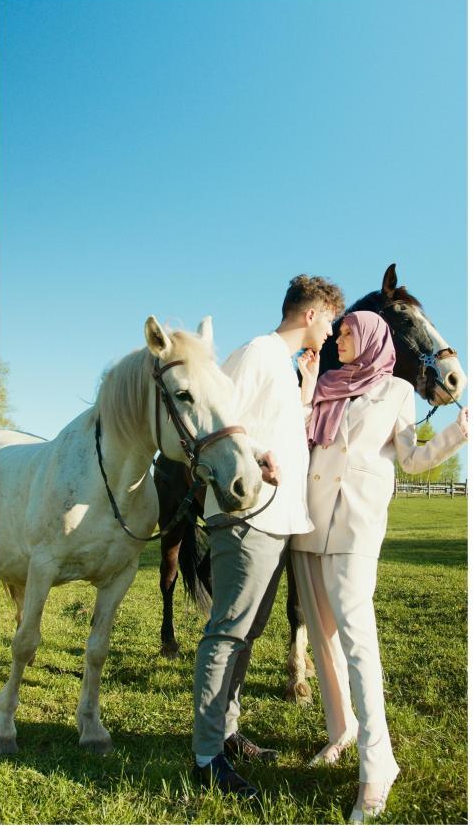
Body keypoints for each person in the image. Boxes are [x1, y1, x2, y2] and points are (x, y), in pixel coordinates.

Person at [291, 310, 468, 823]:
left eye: (348, 333)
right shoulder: (324, 382)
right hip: (309, 524)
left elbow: (410, 459)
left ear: (370, 337)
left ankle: (378, 764)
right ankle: (341, 731)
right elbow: (302, 437)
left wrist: (457, 434)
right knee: (322, 642)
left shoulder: (395, 391)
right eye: (338, 332)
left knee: (357, 641)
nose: (339, 339)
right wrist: (306, 387)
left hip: (354, 525)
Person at [191, 274, 345, 798]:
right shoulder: (257, 352)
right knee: (228, 632)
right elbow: (216, 419)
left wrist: (305, 390)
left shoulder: (282, 366)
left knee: (248, 633)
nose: (332, 329)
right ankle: (207, 756)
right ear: (311, 314)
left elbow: (275, 428)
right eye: (330, 319)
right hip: (246, 515)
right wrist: (256, 456)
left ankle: (228, 733)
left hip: (275, 520)